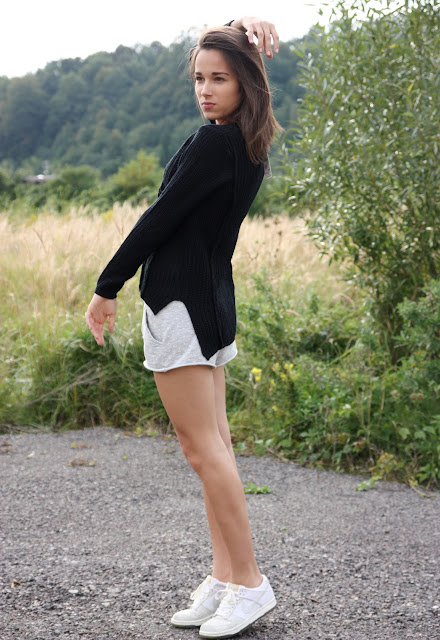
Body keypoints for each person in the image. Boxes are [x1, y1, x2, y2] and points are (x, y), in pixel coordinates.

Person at [85, 16, 281, 639]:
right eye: (199, 77)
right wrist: (240, 27)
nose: (205, 89)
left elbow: (158, 218)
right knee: (213, 448)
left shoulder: (212, 144)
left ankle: (249, 582)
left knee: (203, 451)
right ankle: (226, 578)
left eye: (219, 78)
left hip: (181, 308)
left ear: (246, 81)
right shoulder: (246, 141)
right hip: (211, 305)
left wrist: (107, 286)